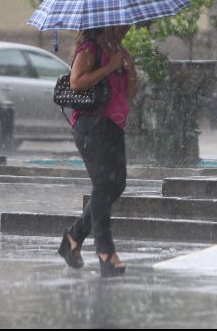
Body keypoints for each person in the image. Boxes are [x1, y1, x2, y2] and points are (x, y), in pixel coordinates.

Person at [57, 25, 138, 277]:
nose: (127, 27)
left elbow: (130, 94)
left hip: (114, 125)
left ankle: (73, 237)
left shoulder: (119, 51)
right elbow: (76, 81)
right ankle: (105, 252)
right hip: (91, 126)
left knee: (117, 184)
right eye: (122, 23)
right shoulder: (90, 49)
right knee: (104, 185)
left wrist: (130, 71)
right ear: (108, 23)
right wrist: (110, 67)